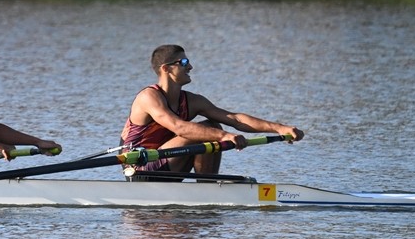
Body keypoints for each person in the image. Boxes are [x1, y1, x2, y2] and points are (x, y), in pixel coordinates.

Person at [119, 44, 304, 180]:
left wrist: (280, 128)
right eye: (183, 62)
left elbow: (235, 119)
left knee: (212, 126)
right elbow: (179, 127)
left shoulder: (192, 101)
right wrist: (224, 135)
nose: (190, 67)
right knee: (209, 131)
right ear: (166, 69)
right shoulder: (148, 97)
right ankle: (207, 187)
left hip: (166, 164)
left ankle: (207, 186)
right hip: (139, 168)